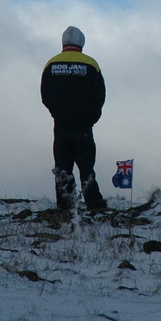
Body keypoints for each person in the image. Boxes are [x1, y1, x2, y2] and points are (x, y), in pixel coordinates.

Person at [40, 26, 108, 213]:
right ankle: (94, 204)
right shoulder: (91, 64)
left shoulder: (51, 64)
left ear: (63, 43)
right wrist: (92, 117)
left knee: (62, 167)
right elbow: (100, 95)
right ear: (82, 43)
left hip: (60, 126)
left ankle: (65, 205)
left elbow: (45, 95)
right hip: (84, 126)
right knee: (86, 167)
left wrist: (57, 114)